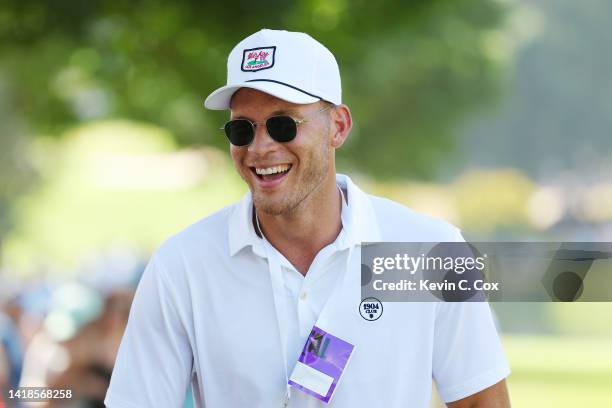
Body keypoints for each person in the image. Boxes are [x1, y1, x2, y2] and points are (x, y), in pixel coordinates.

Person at [105, 29, 510, 408]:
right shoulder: (182, 267)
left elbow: (479, 401)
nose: (259, 148)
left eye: (283, 125)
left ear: (338, 126)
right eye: (241, 130)